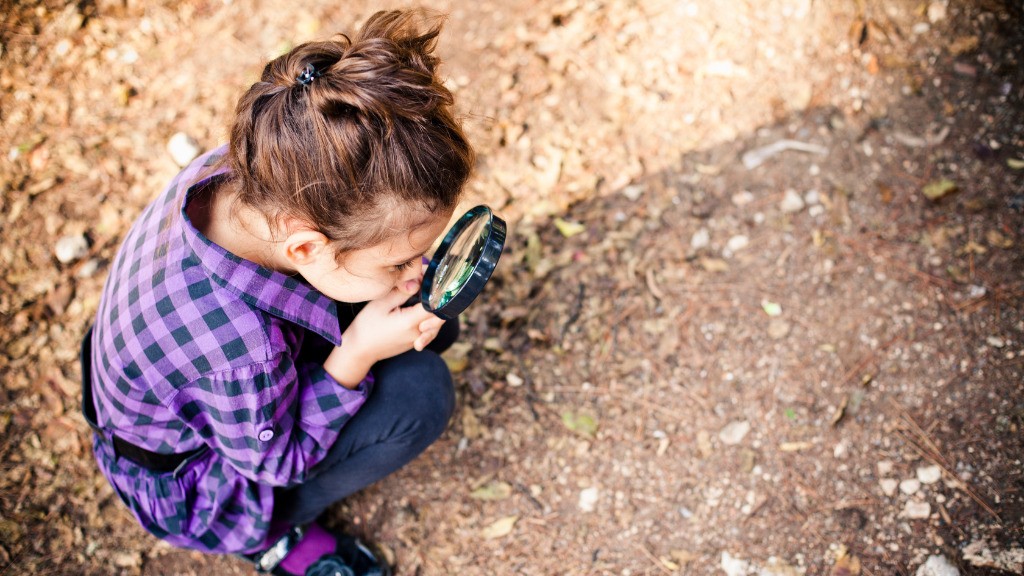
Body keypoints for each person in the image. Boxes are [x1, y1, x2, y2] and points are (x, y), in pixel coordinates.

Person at [80, 10, 474, 575]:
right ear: (307, 249)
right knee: (421, 396)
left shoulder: (254, 169)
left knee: (432, 312)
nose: (418, 268)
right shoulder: (243, 354)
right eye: (399, 260)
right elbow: (280, 459)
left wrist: (392, 280)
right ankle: (269, 537)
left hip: (212, 376)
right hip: (204, 468)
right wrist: (357, 349)